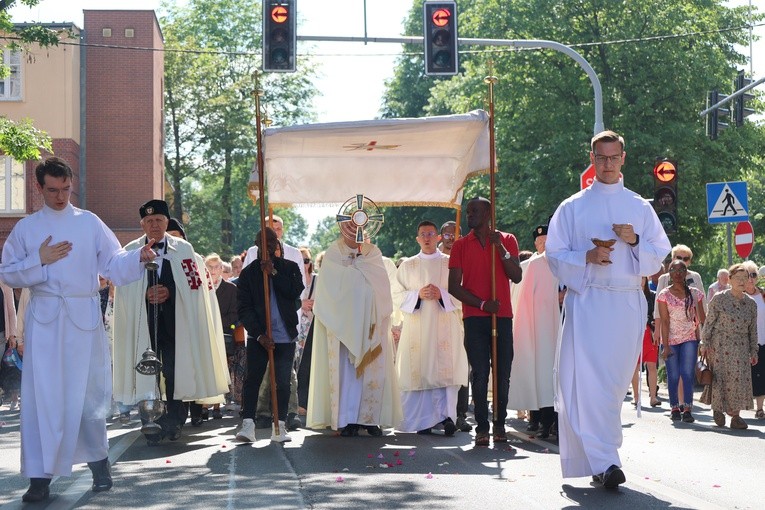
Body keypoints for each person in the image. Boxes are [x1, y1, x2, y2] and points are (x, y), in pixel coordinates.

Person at [0, 157, 158, 502]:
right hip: (45, 320)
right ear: (39, 187)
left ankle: (99, 463)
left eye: (66, 189)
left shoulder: (89, 223)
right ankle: (39, 477)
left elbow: (114, 263)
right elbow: (8, 273)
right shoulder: (26, 229)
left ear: (72, 185)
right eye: (53, 190)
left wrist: (139, 258)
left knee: (88, 393)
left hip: (83, 318)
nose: (60, 196)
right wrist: (38, 259)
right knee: (43, 397)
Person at [545, 130, 670, 488]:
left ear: (623, 158)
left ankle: (602, 459)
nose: (608, 164)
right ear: (592, 158)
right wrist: (586, 257)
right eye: (601, 158)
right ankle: (606, 462)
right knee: (590, 383)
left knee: (614, 386)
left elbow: (656, 257)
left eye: (614, 157)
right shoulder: (572, 207)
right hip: (588, 302)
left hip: (627, 304)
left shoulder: (640, 206)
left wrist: (633, 242)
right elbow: (554, 256)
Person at [112, 199, 229, 444]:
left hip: (177, 323)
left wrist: (171, 293)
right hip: (144, 323)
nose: (154, 225)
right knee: (146, 371)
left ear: (167, 222)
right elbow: (123, 288)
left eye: (159, 220)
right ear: (142, 224)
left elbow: (194, 287)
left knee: (176, 371)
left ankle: (174, 421)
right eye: (149, 221)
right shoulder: (131, 251)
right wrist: (144, 293)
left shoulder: (184, 250)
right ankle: (150, 422)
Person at [307, 220, 401, 436]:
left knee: (372, 374)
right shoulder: (333, 252)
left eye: (358, 227)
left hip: (371, 325)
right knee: (347, 375)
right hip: (343, 327)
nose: (354, 231)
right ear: (343, 228)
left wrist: (358, 269)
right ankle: (348, 420)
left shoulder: (373, 253)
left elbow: (381, 286)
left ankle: (370, 420)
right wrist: (356, 271)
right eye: (349, 226)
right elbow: (329, 288)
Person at [448, 197, 522, 446]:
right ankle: (482, 426)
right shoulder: (460, 246)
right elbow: (452, 287)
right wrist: (481, 304)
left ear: (489, 213)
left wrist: (500, 248)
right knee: (480, 373)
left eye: (475, 211)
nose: (470, 215)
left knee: (502, 373)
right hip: (475, 317)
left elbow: (517, 275)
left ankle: (500, 423)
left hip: (501, 317)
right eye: (468, 211)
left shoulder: (507, 239)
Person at [395, 221, 468, 435]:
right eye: (422, 234)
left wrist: (442, 295)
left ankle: (446, 417)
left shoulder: (451, 263)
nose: (427, 237)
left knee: (442, 370)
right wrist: (416, 295)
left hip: (444, 326)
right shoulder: (408, 265)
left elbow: (463, 292)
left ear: (438, 237)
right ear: (417, 239)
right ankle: (421, 420)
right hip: (417, 328)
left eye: (430, 233)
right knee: (420, 368)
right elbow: (396, 295)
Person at [235, 227, 303, 443]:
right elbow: (244, 309)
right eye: (264, 242)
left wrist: (273, 272)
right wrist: (258, 334)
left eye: (273, 242)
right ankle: (248, 424)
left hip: (285, 336)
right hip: (259, 337)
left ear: (278, 246)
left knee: (283, 382)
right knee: (252, 379)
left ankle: (280, 425)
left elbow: (295, 291)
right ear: (257, 245)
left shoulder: (290, 268)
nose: (269, 246)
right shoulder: (248, 274)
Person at [508, 223, 561, 439]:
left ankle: (560, 422)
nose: (545, 245)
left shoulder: (569, 260)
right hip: (544, 328)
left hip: (567, 324)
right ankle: (544, 420)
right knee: (545, 373)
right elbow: (526, 301)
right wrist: (555, 298)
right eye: (541, 242)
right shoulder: (534, 265)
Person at [700, 264, 758, 429]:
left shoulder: (751, 304)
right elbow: (709, 323)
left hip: (741, 347)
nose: (741, 281)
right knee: (721, 379)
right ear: (730, 280)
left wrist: (754, 351)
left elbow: (753, 331)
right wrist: (704, 342)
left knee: (739, 381)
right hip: (720, 345)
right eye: (737, 278)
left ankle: (736, 416)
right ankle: (718, 409)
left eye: (744, 278)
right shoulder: (719, 298)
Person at [657, 260, 705, 422]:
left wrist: (704, 338)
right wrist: (666, 346)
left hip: (689, 339)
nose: (677, 273)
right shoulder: (664, 294)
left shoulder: (695, 293)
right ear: (669, 273)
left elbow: (702, 318)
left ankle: (687, 409)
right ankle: (674, 407)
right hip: (670, 340)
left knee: (687, 373)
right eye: (673, 270)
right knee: (673, 374)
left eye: (681, 270)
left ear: (686, 273)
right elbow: (664, 321)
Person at [205, 253, 241, 415]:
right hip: (204, 333)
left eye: (216, 267)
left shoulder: (231, 289)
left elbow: (235, 314)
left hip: (224, 334)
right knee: (205, 370)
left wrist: (219, 324)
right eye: (209, 267)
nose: (213, 270)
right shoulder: (200, 288)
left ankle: (218, 405)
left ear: (221, 269)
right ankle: (204, 405)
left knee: (221, 369)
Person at [741, 261, 765, 420]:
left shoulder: (763, 294)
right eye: (747, 275)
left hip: (763, 340)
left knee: (761, 375)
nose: (751, 278)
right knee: (746, 375)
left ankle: (759, 408)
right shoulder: (738, 295)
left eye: (754, 275)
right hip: (744, 344)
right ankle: (737, 408)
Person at [631, 278, 660, 408]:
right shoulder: (630, 295)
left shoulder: (652, 295)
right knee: (634, 367)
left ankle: (653, 396)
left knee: (652, 366)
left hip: (649, 333)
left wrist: (656, 330)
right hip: (634, 334)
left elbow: (656, 316)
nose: (640, 280)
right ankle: (636, 397)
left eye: (642, 277)